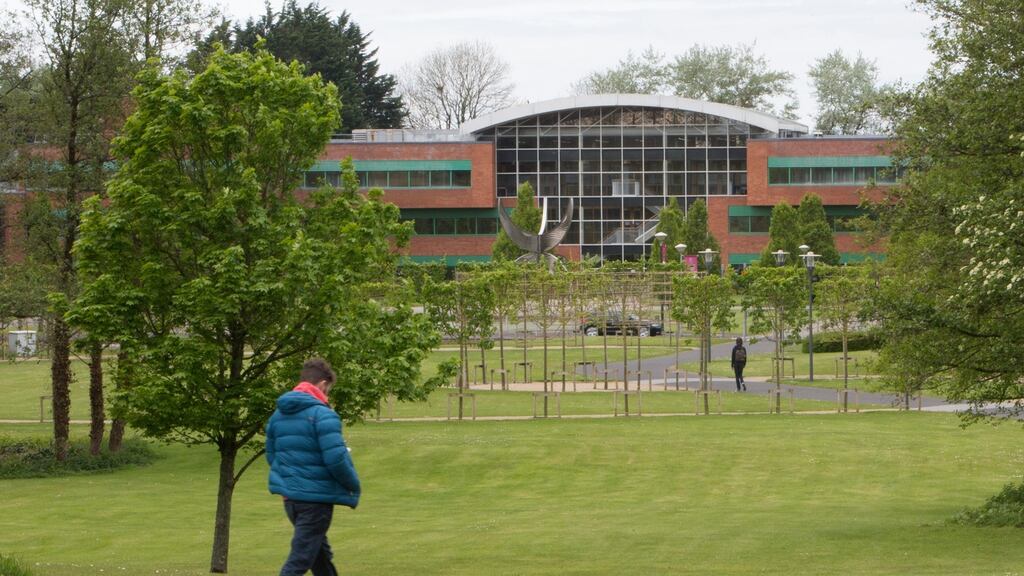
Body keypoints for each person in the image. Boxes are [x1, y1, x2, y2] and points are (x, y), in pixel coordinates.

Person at [266, 358, 360, 576]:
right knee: (299, 560)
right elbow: (336, 459)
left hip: (291, 500)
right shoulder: (323, 415)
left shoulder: (277, 416)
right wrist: (353, 485)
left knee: (320, 559)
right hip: (315, 502)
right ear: (323, 384)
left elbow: (272, 455)